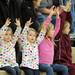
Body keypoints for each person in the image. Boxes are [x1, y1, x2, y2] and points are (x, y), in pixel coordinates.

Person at [38, 6, 69, 75]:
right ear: (47, 31)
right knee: (49, 69)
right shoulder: (41, 39)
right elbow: (45, 26)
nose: (54, 31)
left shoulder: (51, 39)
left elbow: (58, 28)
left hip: (50, 64)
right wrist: (50, 14)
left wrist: (58, 17)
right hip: (41, 64)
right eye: (52, 30)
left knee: (64, 68)